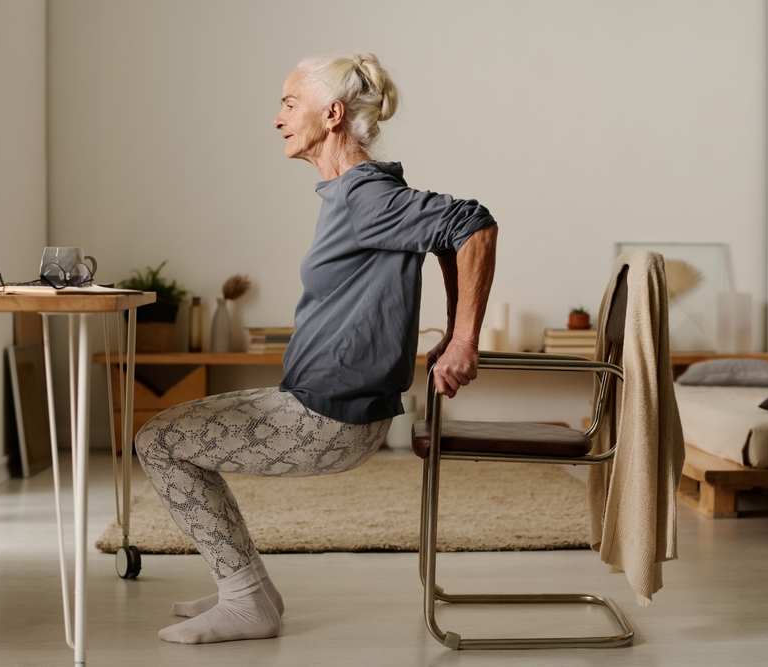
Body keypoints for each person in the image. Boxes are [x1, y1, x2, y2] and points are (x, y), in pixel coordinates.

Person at [134, 52, 498, 645]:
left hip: (327, 417)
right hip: (318, 403)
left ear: (331, 114)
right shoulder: (350, 193)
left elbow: (474, 224)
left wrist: (462, 340)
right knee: (174, 432)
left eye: (288, 103)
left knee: (159, 441)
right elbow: (454, 231)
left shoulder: (363, 195)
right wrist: (456, 332)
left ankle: (247, 600)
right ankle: (250, 587)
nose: (277, 118)